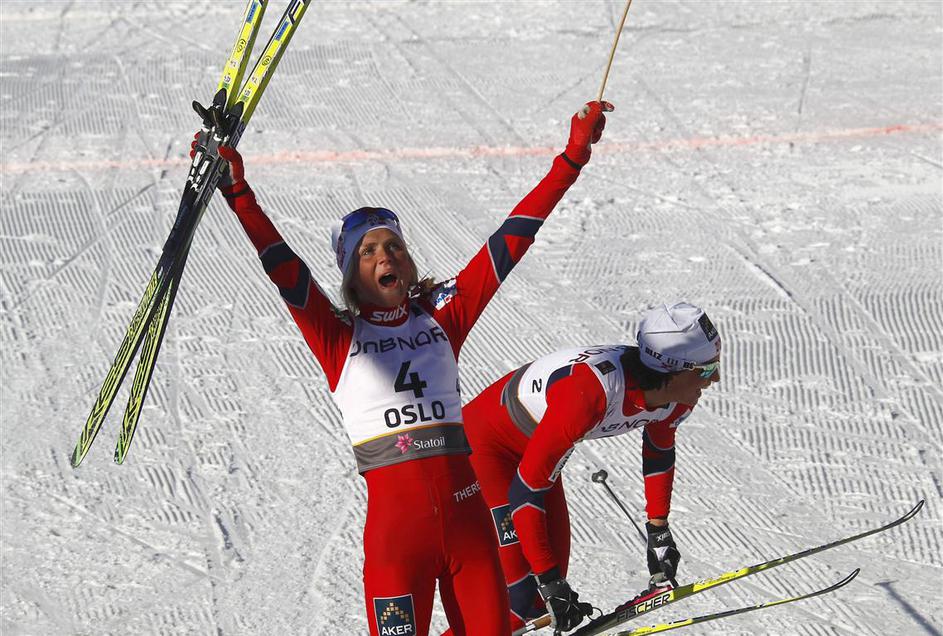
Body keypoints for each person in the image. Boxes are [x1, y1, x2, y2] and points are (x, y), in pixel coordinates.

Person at [196, 101, 613, 636]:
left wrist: (573, 156)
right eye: (368, 251)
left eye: (393, 245)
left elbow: (513, 237)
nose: (385, 256)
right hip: (398, 544)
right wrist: (239, 194)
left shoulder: (443, 317)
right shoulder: (338, 337)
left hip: (470, 533)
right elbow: (284, 269)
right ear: (351, 274)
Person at [461, 302, 722, 633]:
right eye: (706, 371)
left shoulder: (675, 397)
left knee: (542, 597)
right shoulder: (589, 394)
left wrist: (659, 531)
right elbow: (525, 492)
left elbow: (658, 451)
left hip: (535, 455)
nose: (716, 379)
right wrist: (549, 580)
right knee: (519, 597)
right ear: (671, 370)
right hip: (484, 450)